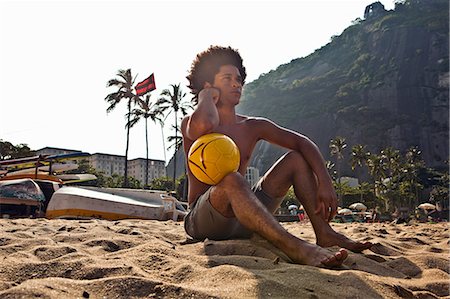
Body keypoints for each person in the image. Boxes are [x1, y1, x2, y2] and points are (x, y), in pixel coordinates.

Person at [181, 45, 372, 268]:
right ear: (209, 85)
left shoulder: (252, 126)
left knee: (296, 160)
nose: (236, 83)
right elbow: (205, 123)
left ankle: (325, 232)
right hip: (203, 219)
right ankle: (294, 246)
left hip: (243, 219)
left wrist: (325, 182)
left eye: (239, 79)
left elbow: (302, 142)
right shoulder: (192, 123)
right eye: (227, 78)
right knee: (231, 179)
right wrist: (205, 96)